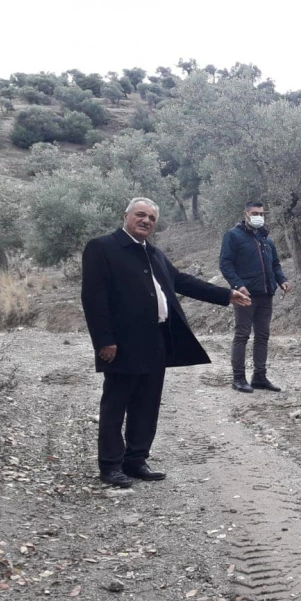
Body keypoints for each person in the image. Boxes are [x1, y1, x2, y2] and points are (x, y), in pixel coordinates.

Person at [81, 197, 250, 488]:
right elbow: (93, 298)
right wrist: (104, 340)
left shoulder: (154, 254)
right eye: (140, 215)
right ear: (126, 216)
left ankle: (135, 460)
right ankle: (110, 466)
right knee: (115, 404)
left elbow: (182, 281)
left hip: (156, 340)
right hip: (121, 343)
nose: (146, 221)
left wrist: (226, 295)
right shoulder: (102, 248)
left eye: (151, 218)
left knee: (146, 405)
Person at [219, 201, 291, 393]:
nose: (259, 216)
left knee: (262, 336)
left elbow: (275, 264)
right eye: (255, 213)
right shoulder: (233, 236)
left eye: (261, 213)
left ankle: (259, 377)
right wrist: (238, 286)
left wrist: (281, 280)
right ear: (246, 214)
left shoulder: (266, 238)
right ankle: (238, 379)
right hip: (245, 296)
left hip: (266, 295)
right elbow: (225, 264)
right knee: (242, 335)